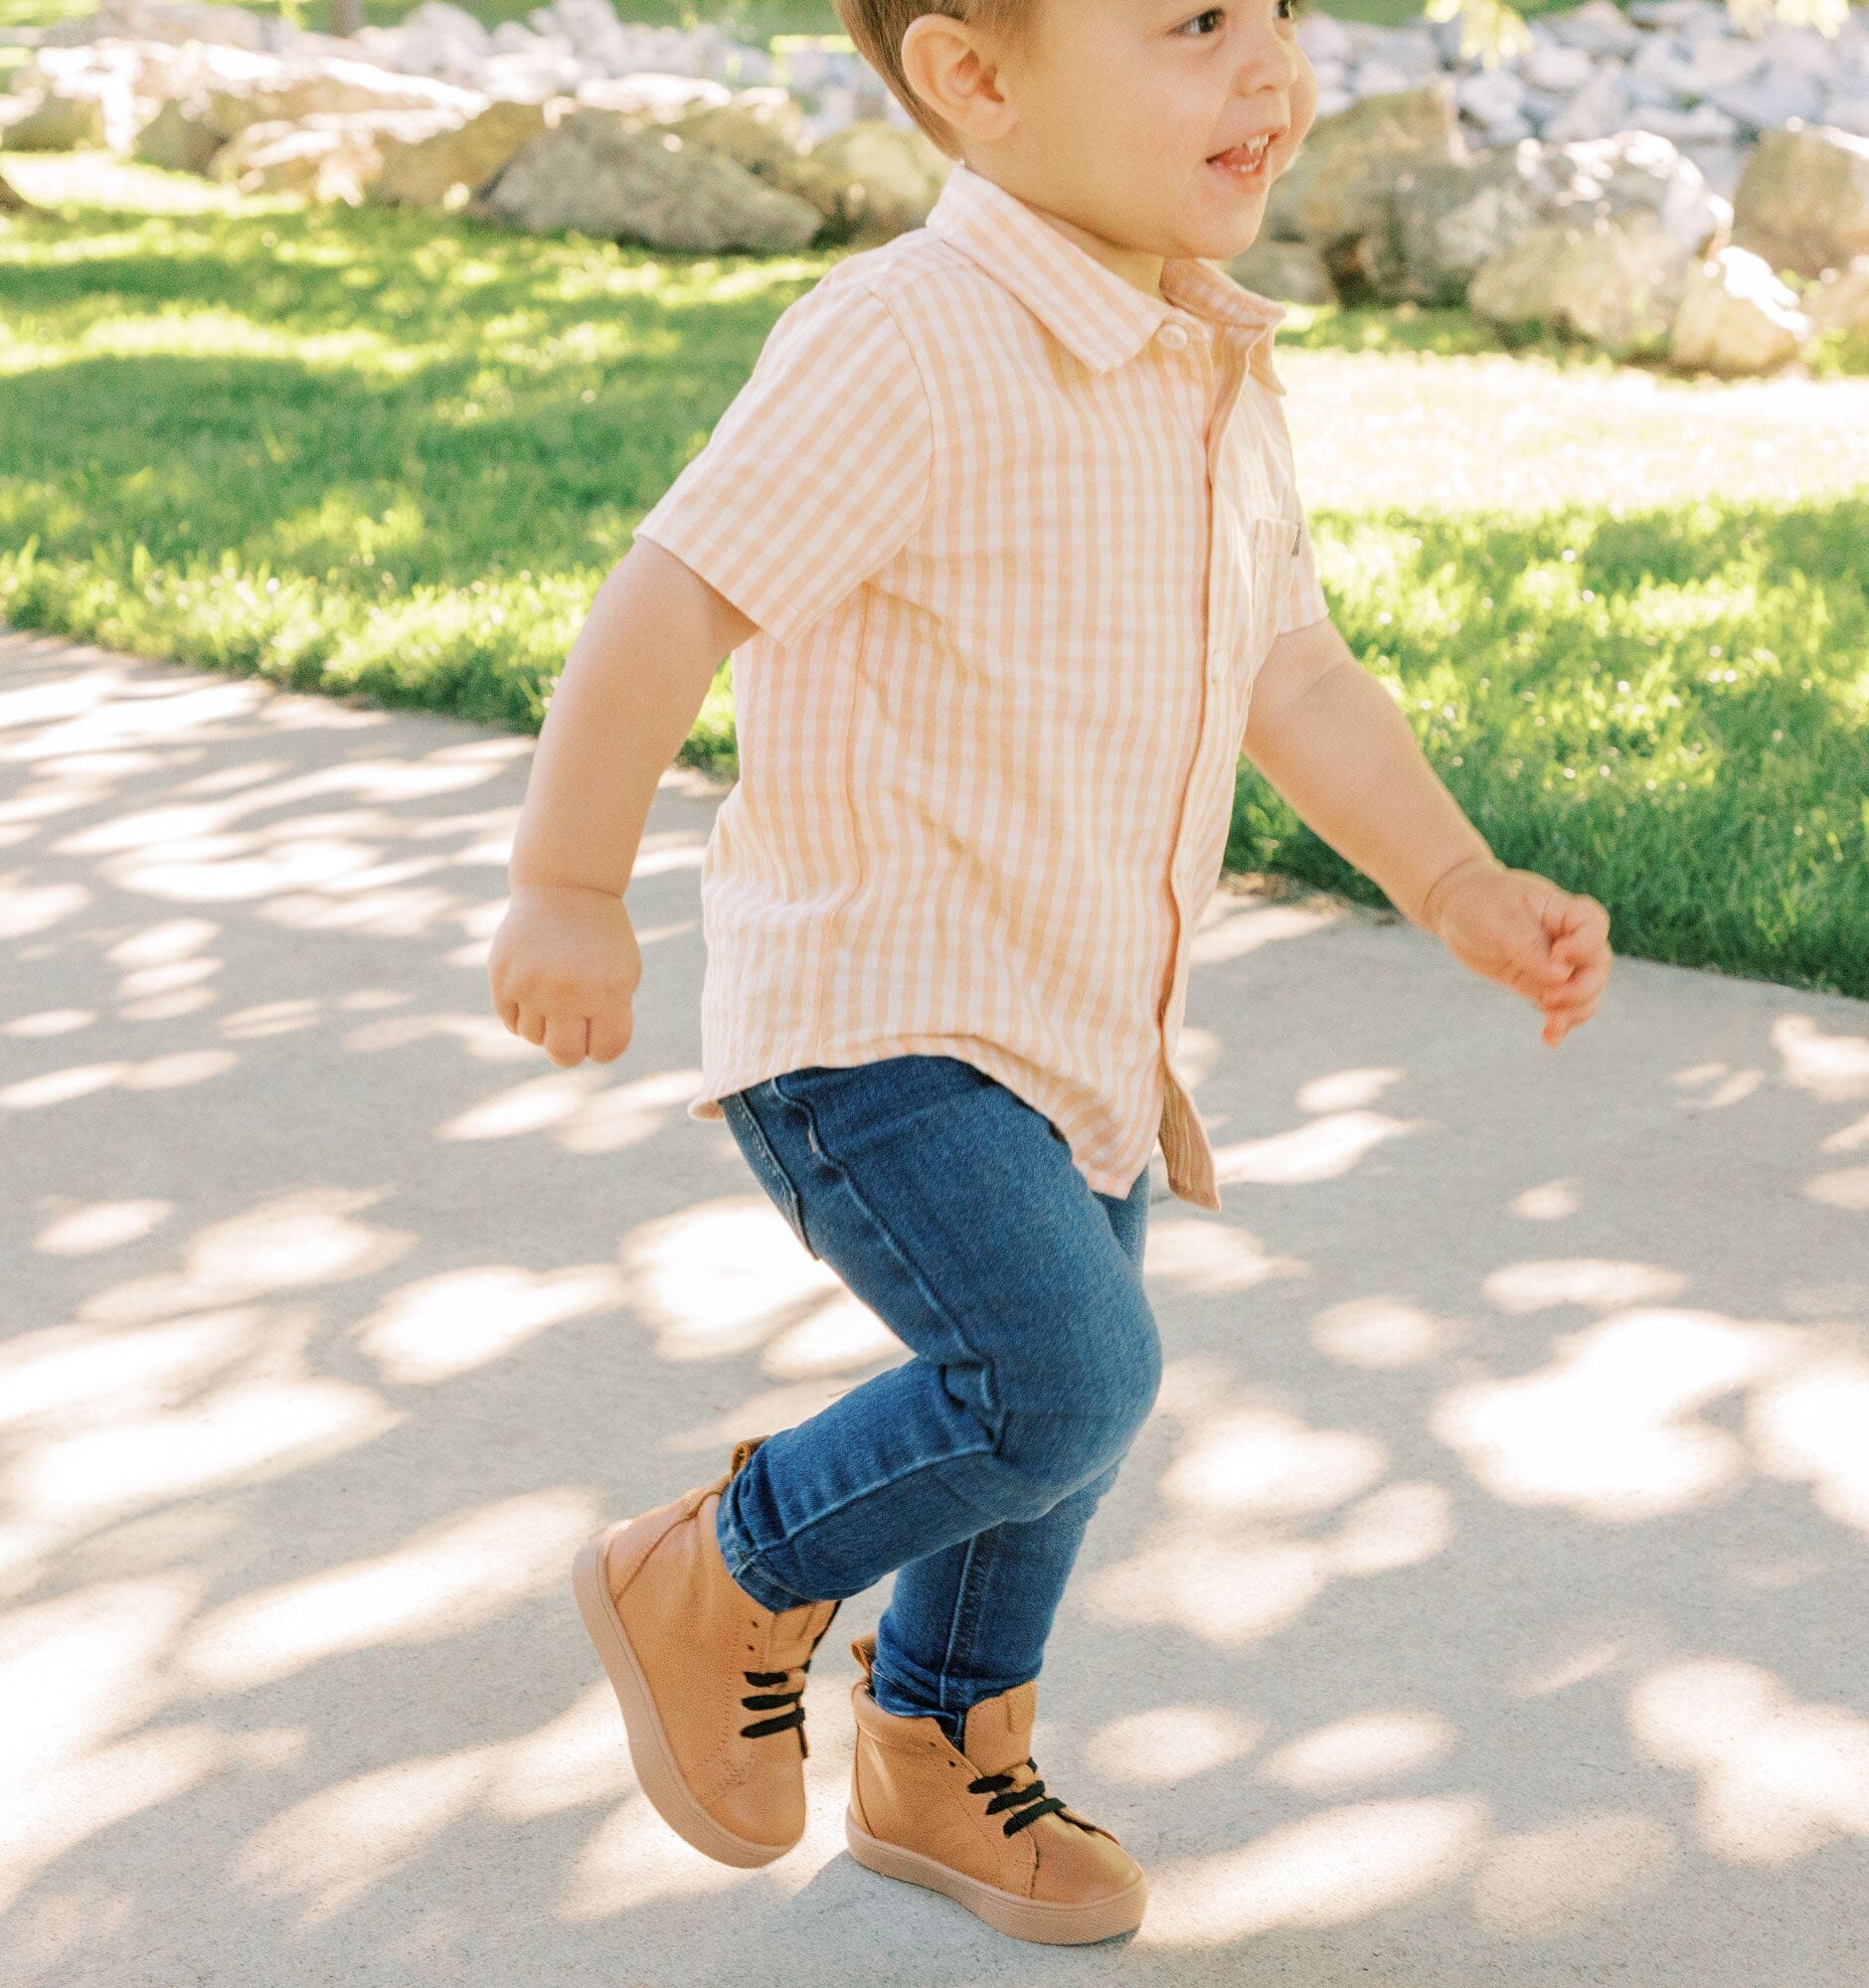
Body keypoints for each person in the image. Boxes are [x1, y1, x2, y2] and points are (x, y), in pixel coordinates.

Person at [488, 0, 1614, 1947]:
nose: (1267, 66)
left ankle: (938, 1748)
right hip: (882, 1005)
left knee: (1052, 1440)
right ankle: (720, 1572)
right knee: (1062, 1375)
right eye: (1191, 23)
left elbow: (1294, 670)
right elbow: (675, 586)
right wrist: (571, 882)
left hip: (1081, 1017)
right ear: (977, 82)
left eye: (1272, 12)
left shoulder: (1204, 354)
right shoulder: (904, 339)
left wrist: (1453, 880)